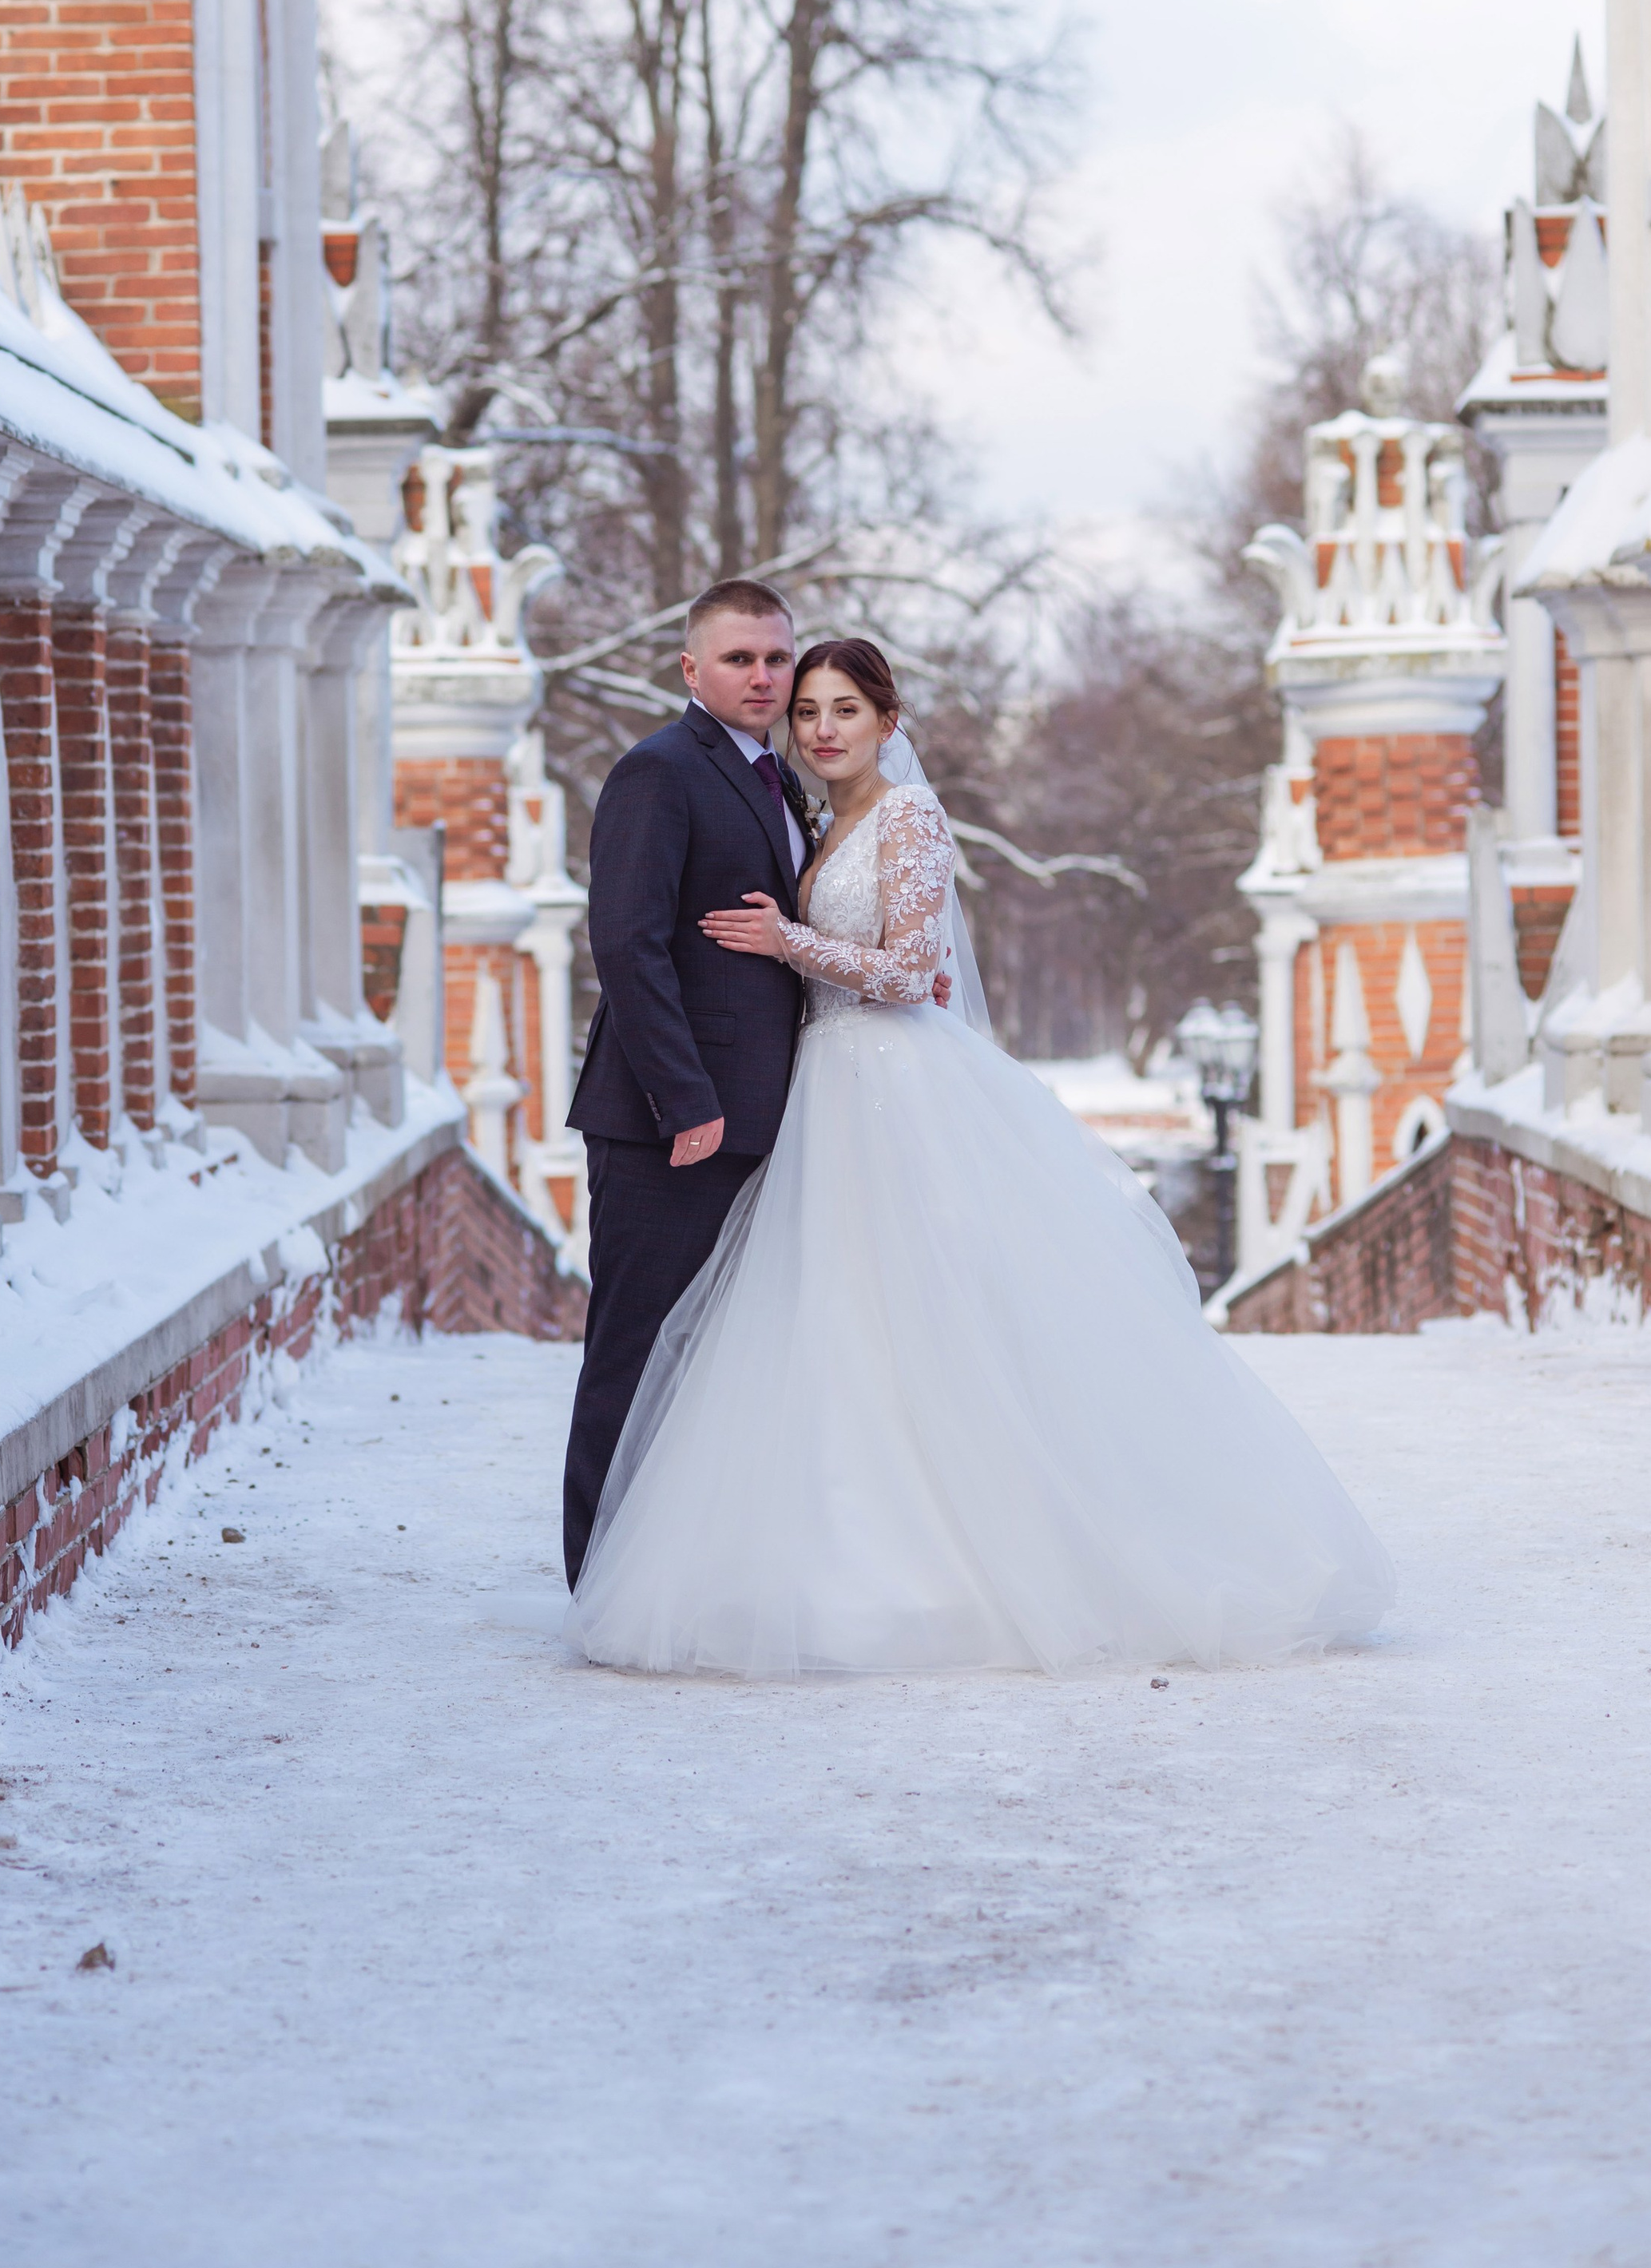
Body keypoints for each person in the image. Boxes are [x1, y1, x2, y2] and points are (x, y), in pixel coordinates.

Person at [566, 636, 1395, 1678]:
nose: (822, 727)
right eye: (808, 711)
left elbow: (913, 970)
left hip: (889, 1090)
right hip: (828, 1088)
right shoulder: (822, 817)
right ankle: (840, 1541)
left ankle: (981, 1554)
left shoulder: (908, 814)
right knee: (835, 1322)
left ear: (888, 722)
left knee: (925, 1314)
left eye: (846, 711)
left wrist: (790, 942)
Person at [561, 579, 819, 1588]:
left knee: (716, 1359)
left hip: (765, 1118)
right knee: (634, 1350)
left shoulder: (774, 779)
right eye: (738, 658)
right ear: (690, 669)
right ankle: (602, 1583)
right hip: (670, 1126)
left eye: (774, 658)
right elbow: (627, 945)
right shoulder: (659, 772)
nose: (761, 676)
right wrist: (690, 1102)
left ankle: (684, 1575)